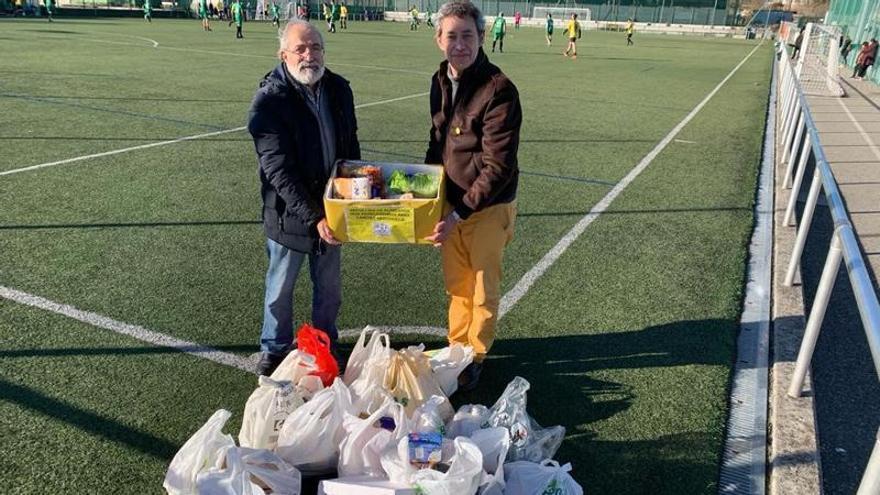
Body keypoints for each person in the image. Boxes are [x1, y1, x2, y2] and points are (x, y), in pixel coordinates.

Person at [248, 19, 361, 376]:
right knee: (280, 289)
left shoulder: (339, 89)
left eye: (315, 47)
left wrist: (355, 198)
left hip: (334, 210)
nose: (309, 55)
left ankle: (326, 340)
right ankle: (275, 348)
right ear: (283, 55)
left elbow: (350, 148)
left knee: (329, 289)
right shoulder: (269, 101)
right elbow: (278, 170)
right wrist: (315, 217)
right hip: (290, 215)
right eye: (301, 48)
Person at [425, 1, 521, 392]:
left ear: (482, 38)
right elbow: (437, 142)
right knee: (457, 283)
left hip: (486, 206)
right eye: (452, 35)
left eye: (468, 35)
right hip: (452, 204)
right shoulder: (439, 79)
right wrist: (425, 197)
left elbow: (496, 166)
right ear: (438, 39)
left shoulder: (499, 90)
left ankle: (474, 356)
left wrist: (459, 213)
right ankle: (456, 347)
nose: (459, 44)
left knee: (482, 288)